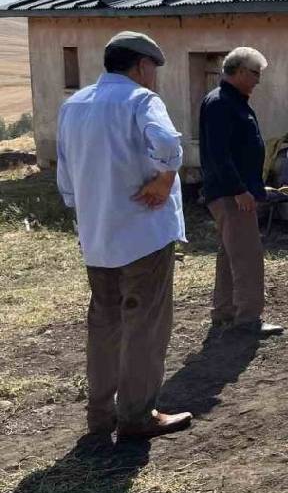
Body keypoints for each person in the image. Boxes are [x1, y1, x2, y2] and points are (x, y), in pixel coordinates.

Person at [57, 31, 192, 439]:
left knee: (105, 325)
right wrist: (165, 178)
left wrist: (86, 215)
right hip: (142, 234)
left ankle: (100, 415)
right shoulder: (141, 100)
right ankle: (137, 415)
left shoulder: (74, 105)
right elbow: (166, 142)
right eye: (152, 69)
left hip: (97, 235)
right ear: (142, 66)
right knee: (144, 325)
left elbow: (66, 178)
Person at [198, 47, 282, 336]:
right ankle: (248, 318)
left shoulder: (231, 101)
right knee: (247, 255)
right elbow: (219, 154)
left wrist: (253, 187)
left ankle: (225, 311)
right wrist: (240, 190)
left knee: (230, 254)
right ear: (241, 72)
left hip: (235, 191)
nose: (258, 80)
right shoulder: (221, 103)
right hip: (231, 194)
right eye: (255, 74)